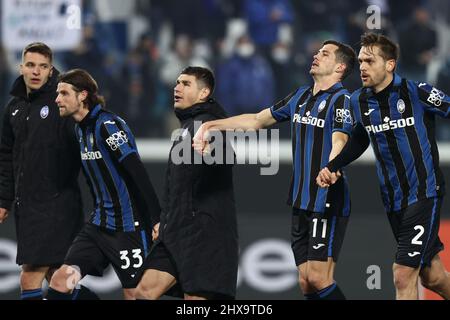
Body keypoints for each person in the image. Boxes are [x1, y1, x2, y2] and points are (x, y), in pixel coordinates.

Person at [194, 41, 356, 300]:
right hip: (301, 198)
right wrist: (213, 125)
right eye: (317, 51)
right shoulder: (300, 96)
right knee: (306, 282)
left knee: (318, 277)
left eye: (324, 54)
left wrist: (331, 165)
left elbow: (340, 139)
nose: (315, 55)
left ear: (340, 67)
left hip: (327, 197)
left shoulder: (342, 100)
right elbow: (258, 120)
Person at [317, 33, 450, 300]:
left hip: (424, 192)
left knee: (402, 273)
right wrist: (333, 165)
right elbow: (360, 138)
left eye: (370, 61)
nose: (362, 67)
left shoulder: (417, 91)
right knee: (432, 276)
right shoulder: (358, 100)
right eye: (361, 61)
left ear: (390, 64)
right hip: (394, 200)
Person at [46, 69, 161, 300]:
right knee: (60, 281)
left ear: (82, 95)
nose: (57, 99)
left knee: (134, 293)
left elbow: (136, 171)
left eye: (64, 93)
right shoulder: (79, 129)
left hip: (129, 228)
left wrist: (157, 218)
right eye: (57, 93)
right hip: (98, 227)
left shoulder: (108, 125)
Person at [135, 66, 238, 300]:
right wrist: (165, 219)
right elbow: (177, 181)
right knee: (143, 292)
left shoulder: (211, 124)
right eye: (177, 83)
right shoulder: (187, 126)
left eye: (185, 84)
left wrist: (211, 152)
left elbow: (226, 157)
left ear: (204, 93)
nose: (176, 88)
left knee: (194, 299)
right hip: (176, 229)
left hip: (202, 232)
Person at [0, 43, 84, 300]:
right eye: (31, 65)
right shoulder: (13, 107)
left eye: (43, 66)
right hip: (28, 207)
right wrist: (4, 200)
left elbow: (82, 145)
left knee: (33, 276)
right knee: (58, 280)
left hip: (58, 205)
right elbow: (6, 157)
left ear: (51, 70)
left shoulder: (62, 102)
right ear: (21, 67)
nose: (36, 71)